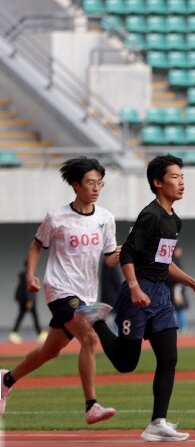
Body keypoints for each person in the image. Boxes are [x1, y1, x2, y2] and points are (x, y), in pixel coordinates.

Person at [94, 154, 195, 441]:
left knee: (169, 358)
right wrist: (134, 287)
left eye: (182, 177)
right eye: (175, 177)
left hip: (161, 294)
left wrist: (191, 282)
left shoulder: (174, 221)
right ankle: (96, 321)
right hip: (139, 289)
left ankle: (158, 422)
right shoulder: (150, 215)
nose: (181, 182)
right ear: (158, 182)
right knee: (126, 363)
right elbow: (128, 253)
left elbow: (164, 262)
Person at [0, 157, 119, 424]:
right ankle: (91, 405)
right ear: (76, 185)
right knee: (89, 338)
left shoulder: (106, 218)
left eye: (100, 183)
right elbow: (36, 245)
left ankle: (6, 380)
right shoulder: (56, 217)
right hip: (60, 289)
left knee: (50, 351)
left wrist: (122, 254)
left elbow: (110, 259)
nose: (96, 188)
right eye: (91, 183)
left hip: (86, 294)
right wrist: (31, 274)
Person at [10, 262, 42, 343]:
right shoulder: (29, 276)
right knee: (33, 316)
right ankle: (39, 333)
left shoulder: (24, 275)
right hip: (28, 300)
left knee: (23, 316)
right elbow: (29, 289)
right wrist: (30, 300)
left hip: (23, 299)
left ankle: (14, 333)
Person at [167, 245, 189, 334]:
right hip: (175, 289)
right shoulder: (174, 261)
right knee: (179, 308)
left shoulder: (171, 260)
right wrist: (178, 291)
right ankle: (181, 328)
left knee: (175, 309)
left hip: (172, 288)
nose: (181, 252)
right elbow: (179, 277)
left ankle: (175, 328)